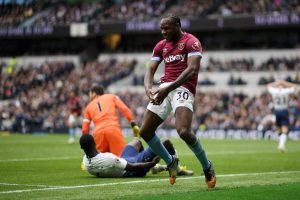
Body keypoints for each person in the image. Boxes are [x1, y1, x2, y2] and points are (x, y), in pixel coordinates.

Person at [138, 13, 216, 187]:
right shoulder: (161, 46)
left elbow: (192, 70)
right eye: (161, 28)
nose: (163, 32)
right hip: (164, 87)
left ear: (178, 26)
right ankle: (170, 161)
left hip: (183, 88)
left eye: (167, 28)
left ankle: (207, 166)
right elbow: (150, 70)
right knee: (144, 132)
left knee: (183, 132)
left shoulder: (191, 41)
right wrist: (148, 88)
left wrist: (168, 89)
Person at [80, 134, 184, 178]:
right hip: (132, 169)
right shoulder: (108, 159)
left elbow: (115, 162)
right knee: (165, 141)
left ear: (82, 148)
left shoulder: (86, 161)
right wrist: (153, 162)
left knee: (136, 141)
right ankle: (176, 168)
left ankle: (151, 164)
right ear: (94, 143)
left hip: (121, 162)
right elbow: (134, 167)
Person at [81, 84, 140, 157]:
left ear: (94, 93)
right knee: (122, 158)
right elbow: (124, 109)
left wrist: (86, 143)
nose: (89, 96)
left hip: (98, 133)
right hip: (112, 128)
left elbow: (84, 129)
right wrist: (133, 123)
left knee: (100, 161)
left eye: (89, 93)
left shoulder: (88, 107)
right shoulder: (112, 97)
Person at [267, 80, 297, 152]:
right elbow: (295, 87)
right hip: (284, 110)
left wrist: (276, 83)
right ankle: (281, 145)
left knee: (279, 128)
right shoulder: (285, 91)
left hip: (276, 111)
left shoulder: (274, 91)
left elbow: (268, 85)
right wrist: (284, 83)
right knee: (285, 128)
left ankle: (281, 143)